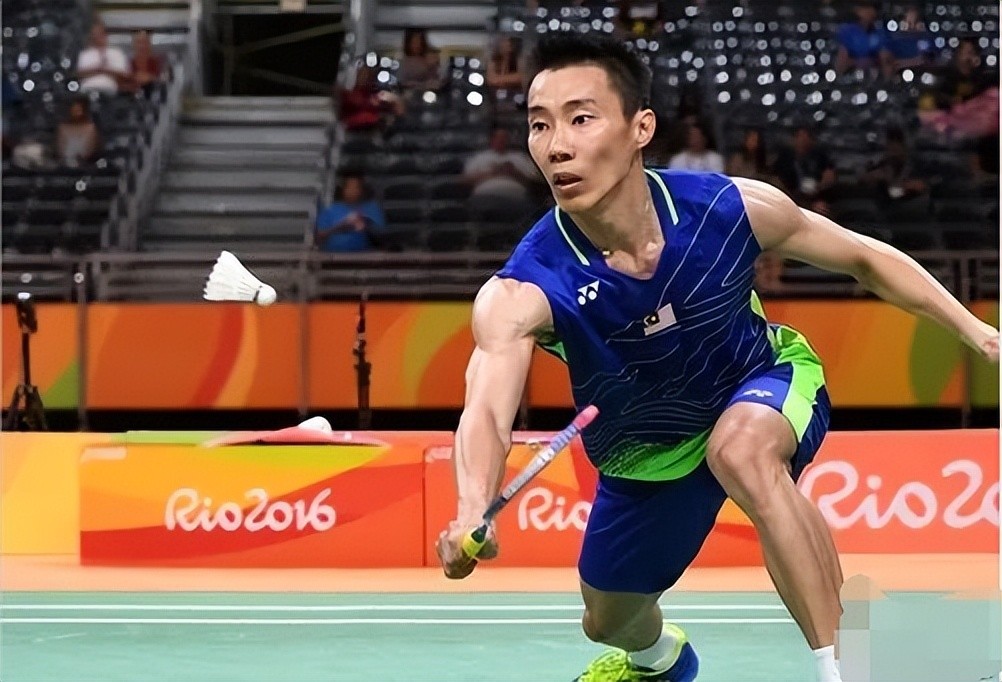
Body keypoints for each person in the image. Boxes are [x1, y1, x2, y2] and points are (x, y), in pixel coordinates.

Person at [434, 31, 999, 682]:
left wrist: (981, 334)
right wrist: (471, 507)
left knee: (742, 452)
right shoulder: (523, 290)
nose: (556, 145)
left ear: (640, 127)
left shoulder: (726, 209)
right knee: (608, 619)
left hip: (761, 379)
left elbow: (863, 257)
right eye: (539, 125)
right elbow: (486, 411)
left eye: (581, 119)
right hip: (647, 452)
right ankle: (659, 661)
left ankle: (852, 666)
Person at [314, 173, 386, 252]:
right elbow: (317, 239)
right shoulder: (330, 209)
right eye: (349, 187)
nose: (353, 191)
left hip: (364, 256)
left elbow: (382, 238)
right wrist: (339, 227)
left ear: (362, 190)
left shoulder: (372, 208)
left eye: (356, 187)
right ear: (343, 190)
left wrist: (366, 227)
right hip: (332, 256)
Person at [774, 127, 837, 215]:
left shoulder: (820, 158)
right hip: (792, 199)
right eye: (799, 137)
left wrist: (821, 188)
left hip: (816, 198)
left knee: (823, 210)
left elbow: (829, 179)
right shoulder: (785, 159)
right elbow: (782, 185)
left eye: (806, 138)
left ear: (811, 141)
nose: (802, 141)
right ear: (793, 140)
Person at [835, 0, 895, 79]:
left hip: (874, 70)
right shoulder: (847, 31)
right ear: (857, 10)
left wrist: (873, 62)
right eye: (865, 8)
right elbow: (842, 56)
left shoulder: (880, 32)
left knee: (886, 60)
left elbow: (885, 56)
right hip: (852, 70)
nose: (869, 11)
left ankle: (887, 83)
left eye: (871, 8)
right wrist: (856, 62)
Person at [76, 20, 131, 95]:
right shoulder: (85, 54)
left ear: (105, 35)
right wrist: (99, 69)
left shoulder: (117, 53)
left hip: (109, 90)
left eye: (99, 34)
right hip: (87, 90)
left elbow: (124, 75)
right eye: (94, 35)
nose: (97, 37)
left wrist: (105, 70)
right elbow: (79, 74)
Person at [57, 97, 102, 167]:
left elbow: (91, 149)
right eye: (74, 110)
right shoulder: (63, 128)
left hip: (86, 164)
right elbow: (60, 149)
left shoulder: (90, 128)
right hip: (65, 165)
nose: (76, 112)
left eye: (79, 110)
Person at [129, 30, 164, 95]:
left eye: (145, 42)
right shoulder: (128, 63)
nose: (142, 46)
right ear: (134, 44)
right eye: (139, 42)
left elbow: (162, 79)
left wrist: (151, 78)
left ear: (149, 44)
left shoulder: (157, 62)